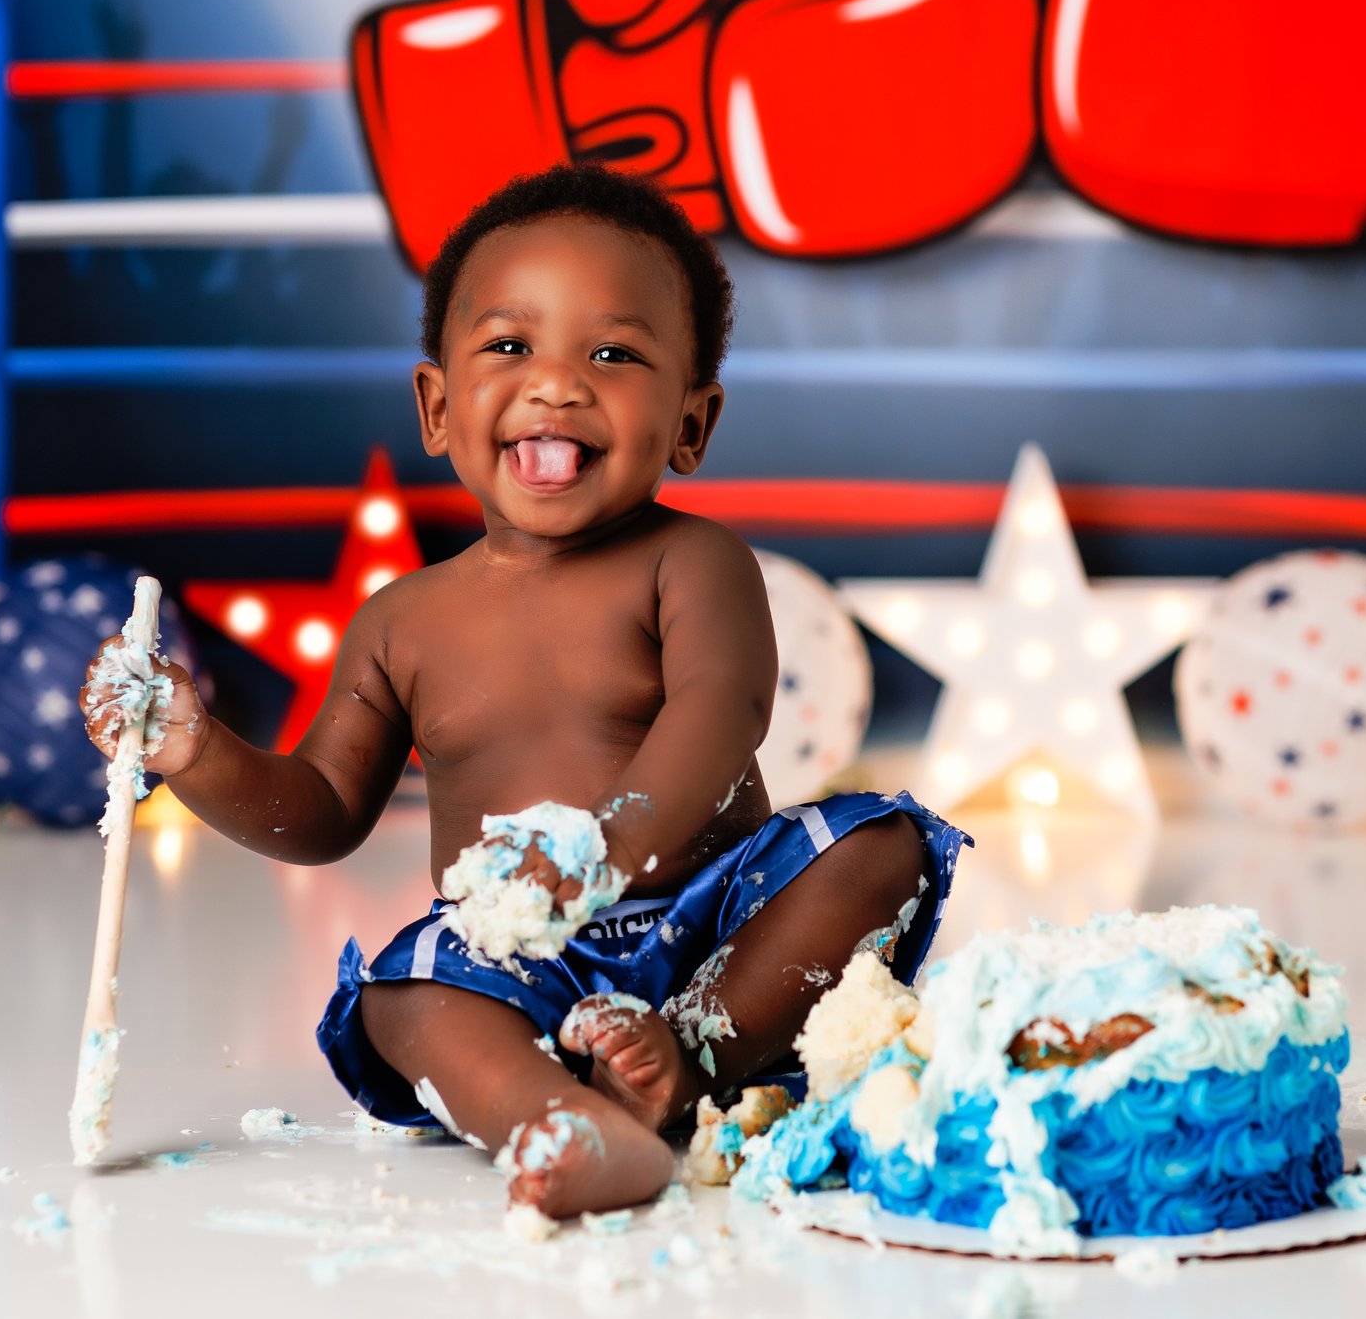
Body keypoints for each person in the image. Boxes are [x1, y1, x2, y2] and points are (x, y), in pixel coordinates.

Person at [81, 164, 962, 1217]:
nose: (556, 382)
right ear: (439, 406)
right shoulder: (404, 619)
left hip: (716, 925)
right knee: (402, 988)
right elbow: (318, 811)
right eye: (509, 345)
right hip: (518, 956)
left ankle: (684, 1059)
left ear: (690, 421)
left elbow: (721, 710)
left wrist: (600, 843)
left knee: (881, 842)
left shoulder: (692, 562)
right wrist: (196, 750)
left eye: (613, 353)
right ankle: (558, 1117)